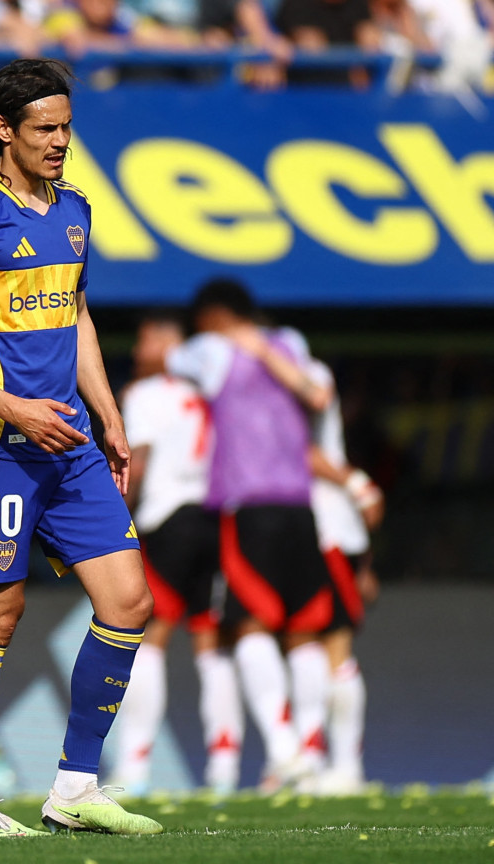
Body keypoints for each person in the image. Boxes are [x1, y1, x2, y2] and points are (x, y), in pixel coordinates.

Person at [0, 58, 162, 837]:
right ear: (3, 130)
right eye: (45, 129)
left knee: (129, 602)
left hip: (73, 445)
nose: (60, 143)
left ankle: (75, 789)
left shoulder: (75, 209)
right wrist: (14, 406)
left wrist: (109, 414)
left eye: (65, 128)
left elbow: (76, 316)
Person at [166, 278, 335, 791]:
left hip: (247, 504)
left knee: (249, 627)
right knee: (305, 630)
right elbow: (314, 393)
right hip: (299, 503)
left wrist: (244, 343)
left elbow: (171, 362)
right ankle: (309, 753)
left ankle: (285, 750)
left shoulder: (210, 350)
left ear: (215, 316)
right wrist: (264, 348)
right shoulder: (292, 344)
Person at [110, 312, 243, 796]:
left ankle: (135, 767)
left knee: (148, 640)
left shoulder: (146, 394)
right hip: (215, 517)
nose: (137, 348)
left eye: (145, 337)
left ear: (171, 341)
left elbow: (136, 462)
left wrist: (113, 517)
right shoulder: (212, 391)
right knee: (211, 644)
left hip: (166, 521)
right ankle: (225, 767)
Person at [306, 358, 384, 793]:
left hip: (327, 531)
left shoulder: (305, 373)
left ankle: (344, 766)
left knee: (330, 646)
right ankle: (311, 760)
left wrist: (357, 483)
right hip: (318, 529)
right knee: (304, 648)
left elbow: (300, 447)